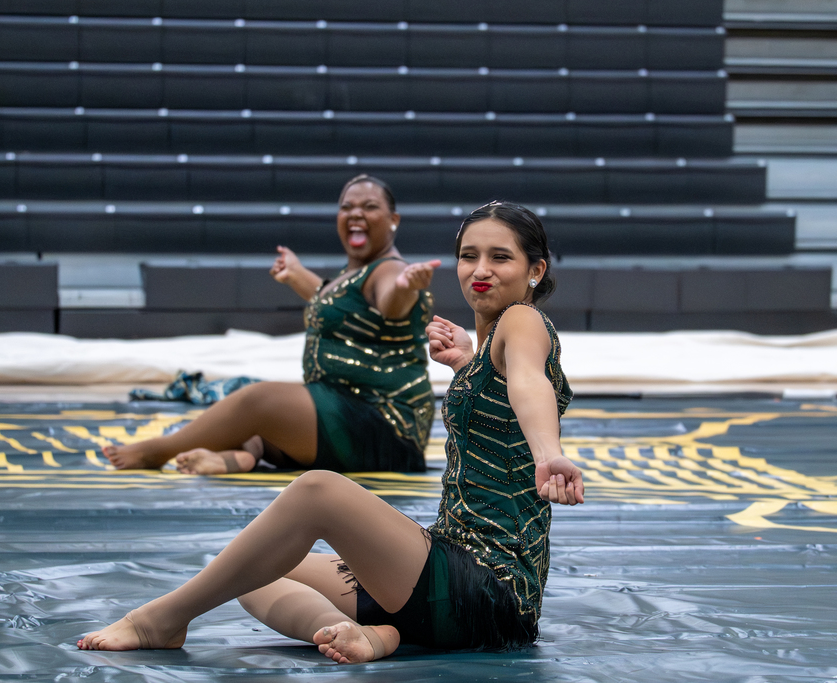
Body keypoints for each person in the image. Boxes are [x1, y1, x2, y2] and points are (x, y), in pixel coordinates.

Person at [77, 201, 584, 662]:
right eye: (468, 256)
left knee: (317, 490)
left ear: (535, 270)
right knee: (247, 571)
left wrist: (548, 453)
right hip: (451, 571)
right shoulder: (490, 343)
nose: (479, 270)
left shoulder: (522, 320)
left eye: (500, 258)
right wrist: (466, 367)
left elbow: (527, 383)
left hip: (491, 589)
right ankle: (357, 632)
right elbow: (503, 396)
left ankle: (160, 620)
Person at [102, 175, 440, 474]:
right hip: (344, 409)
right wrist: (296, 274)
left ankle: (157, 451)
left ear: (393, 219)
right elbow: (332, 301)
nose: (355, 214)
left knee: (258, 402)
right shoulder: (350, 277)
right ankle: (239, 458)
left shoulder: (390, 270)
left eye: (369, 207)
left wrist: (405, 288)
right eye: (346, 207)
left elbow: (392, 306)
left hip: (384, 427)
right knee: (245, 415)